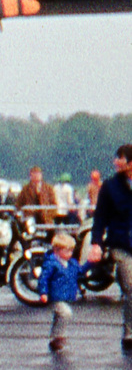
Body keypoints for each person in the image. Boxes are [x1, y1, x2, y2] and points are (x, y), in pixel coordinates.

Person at [88, 144, 132, 352]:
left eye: (121, 160)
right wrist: (96, 242)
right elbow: (100, 217)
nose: (116, 163)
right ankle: (130, 331)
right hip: (121, 245)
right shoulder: (110, 187)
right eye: (116, 159)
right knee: (131, 286)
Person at [38, 232, 83, 353]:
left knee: (59, 315)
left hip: (63, 295)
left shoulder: (71, 263)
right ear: (56, 251)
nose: (70, 254)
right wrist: (43, 292)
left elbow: (80, 271)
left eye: (71, 251)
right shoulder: (51, 264)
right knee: (65, 313)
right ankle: (59, 336)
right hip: (54, 296)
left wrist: (91, 263)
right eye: (67, 251)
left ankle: (55, 337)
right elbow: (44, 279)